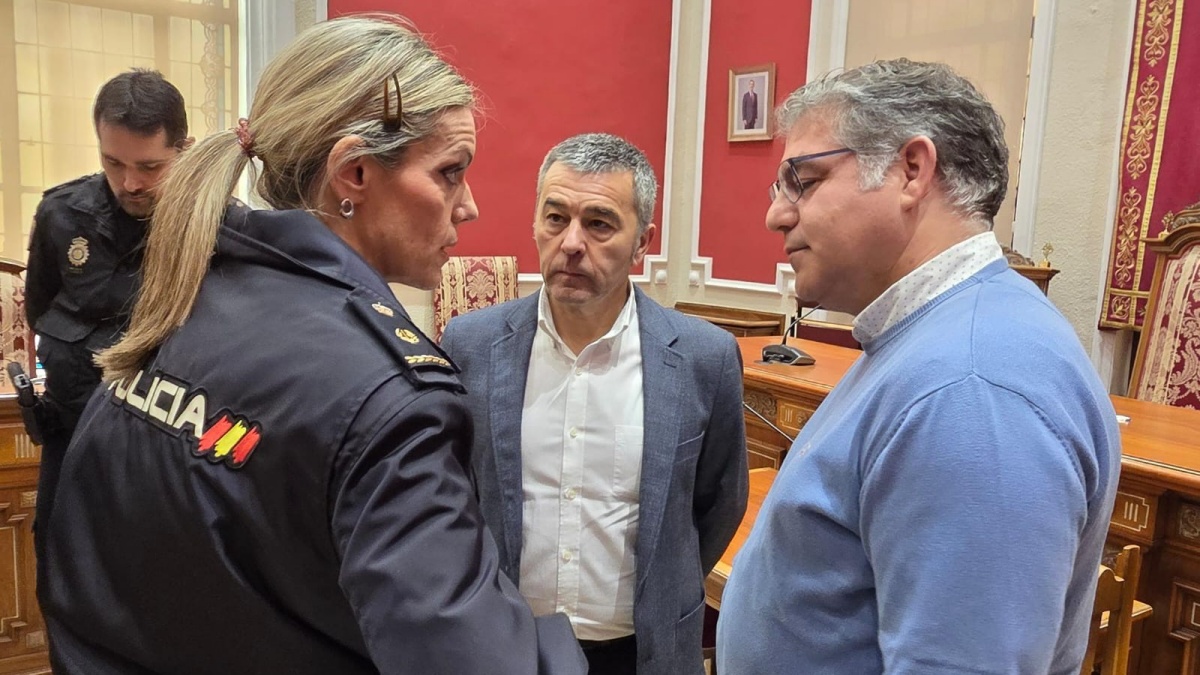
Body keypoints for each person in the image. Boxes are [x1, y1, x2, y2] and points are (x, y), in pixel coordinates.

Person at [39, 16, 586, 675]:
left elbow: (85, 582)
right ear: (354, 173)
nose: (467, 205)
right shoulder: (391, 402)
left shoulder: (185, 300)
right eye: (449, 172)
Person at [717, 59, 1121, 674]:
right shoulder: (935, 340)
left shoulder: (971, 386)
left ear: (911, 170)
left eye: (804, 180)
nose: (776, 214)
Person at [441, 132, 748, 675]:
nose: (571, 242)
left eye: (599, 223)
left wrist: (664, 586)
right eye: (555, 218)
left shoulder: (704, 357)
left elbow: (719, 502)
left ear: (642, 242)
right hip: (507, 646)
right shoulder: (471, 345)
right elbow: (454, 492)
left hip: (642, 651)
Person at [25, 69, 195, 546]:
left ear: (184, 150)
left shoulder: (212, 227)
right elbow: (40, 310)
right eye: (112, 162)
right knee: (60, 555)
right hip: (73, 431)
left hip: (165, 447)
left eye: (149, 167)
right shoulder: (61, 214)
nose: (129, 183)